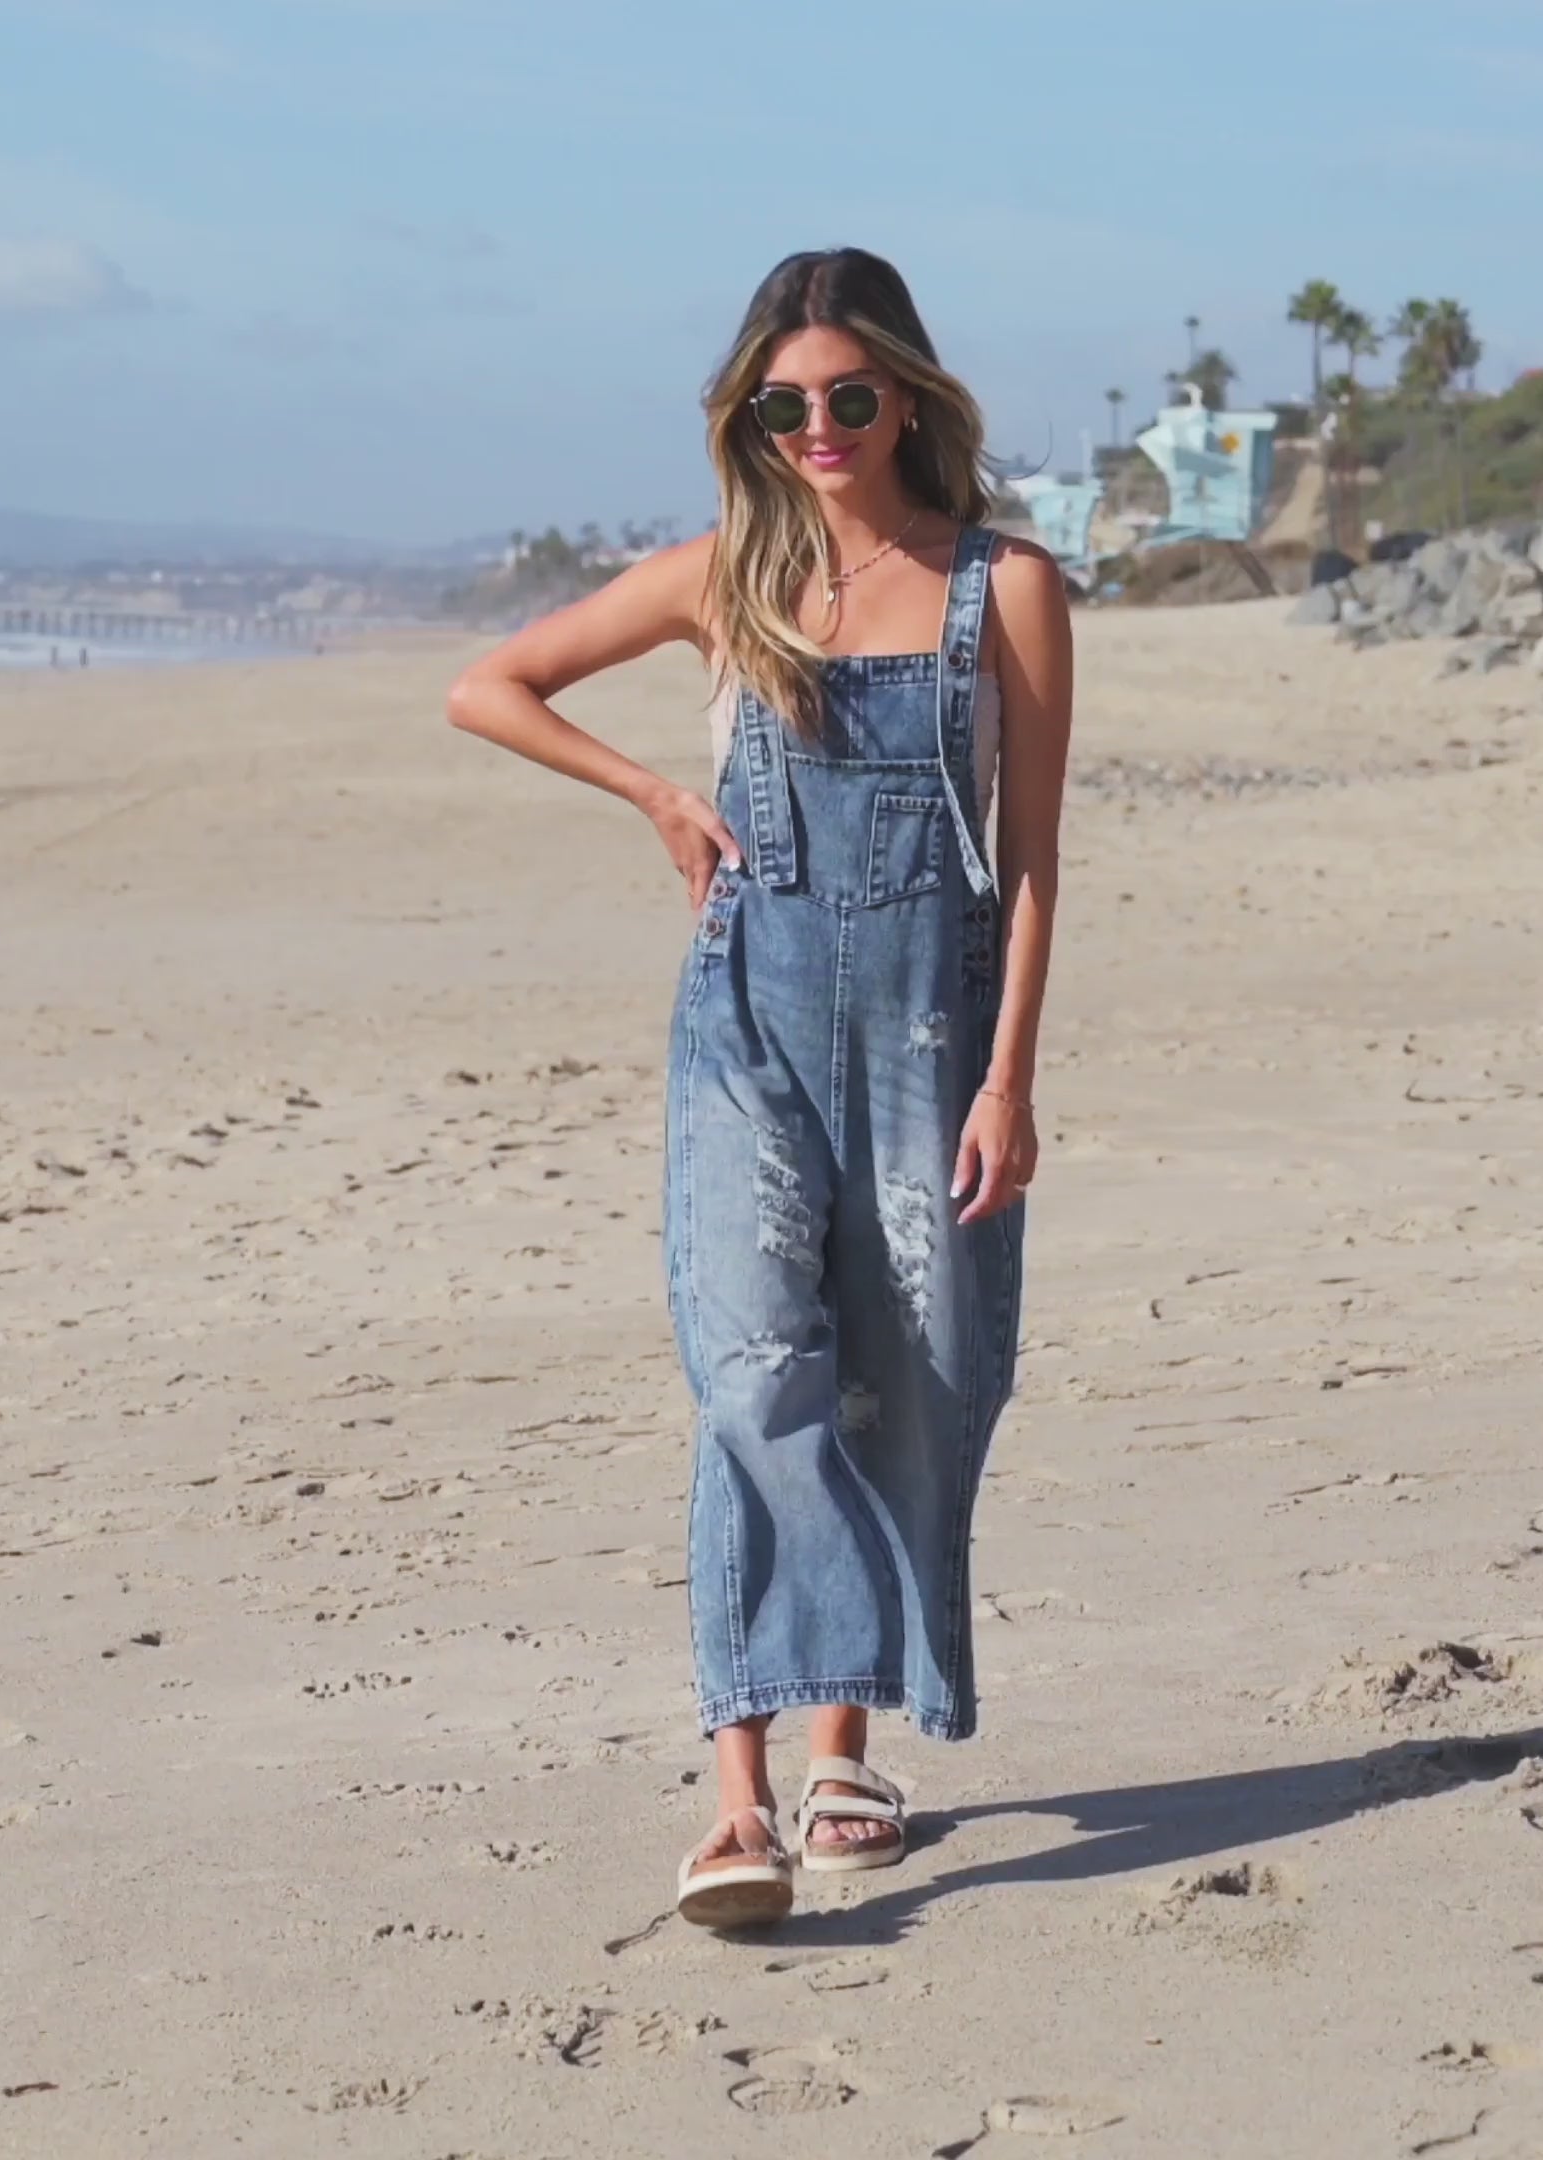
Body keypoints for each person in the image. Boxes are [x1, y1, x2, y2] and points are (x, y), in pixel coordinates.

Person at [447, 248, 1073, 1929]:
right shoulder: (724, 576)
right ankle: (736, 1792)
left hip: (932, 1033)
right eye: (782, 402)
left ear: (910, 401)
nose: (818, 426)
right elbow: (484, 688)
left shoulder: (999, 586)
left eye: (850, 397)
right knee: (752, 1367)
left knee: (909, 1373)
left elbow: (1028, 866)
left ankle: (847, 1750)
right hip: (747, 1021)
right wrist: (651, 792)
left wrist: (1009, 1081)